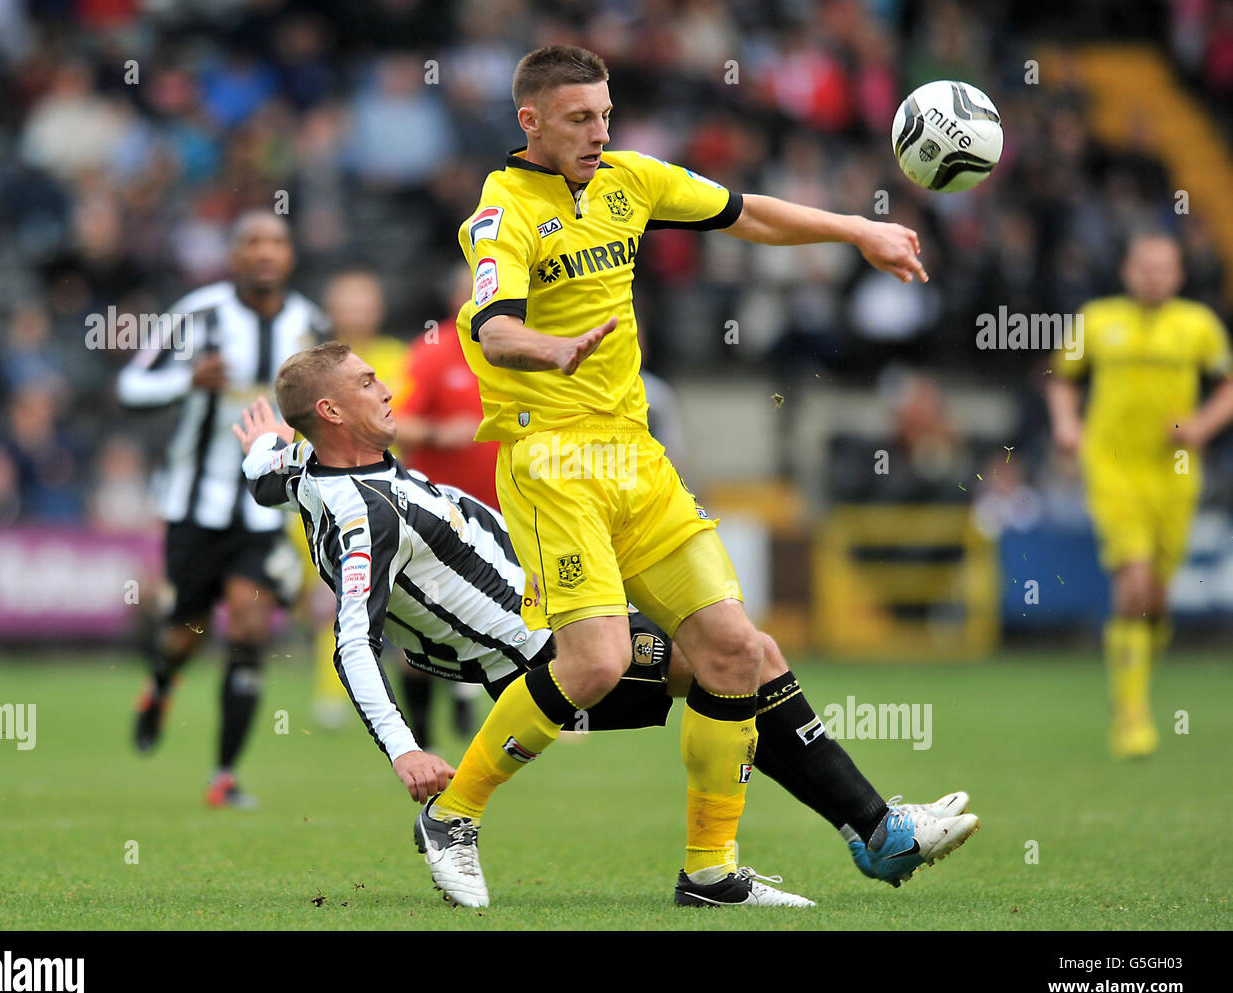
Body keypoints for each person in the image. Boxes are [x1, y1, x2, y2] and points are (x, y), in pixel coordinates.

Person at [429, 44, 959, 907]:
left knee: (735, 651)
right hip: (553, 458)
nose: (599, 131)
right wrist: (551, 348)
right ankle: (453, 812)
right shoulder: (502, 211)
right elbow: (492, 329)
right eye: (578, 118)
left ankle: (710, 870)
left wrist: (856, 228)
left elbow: (746, 214)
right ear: (529, 122)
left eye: (605, 113)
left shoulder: (632, 180)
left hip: (635, 456)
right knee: (596, 662)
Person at [234, 353, 978, 910]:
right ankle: (811, 847)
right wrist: (403, 748)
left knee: (745, 652)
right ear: (331, 412)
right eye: (368, 382)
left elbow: (274, 472)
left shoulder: (310, 467)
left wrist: (259, 449)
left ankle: (861, 831)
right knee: (740, 654)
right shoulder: (365, 513)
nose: (387, 387)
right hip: (541, 654)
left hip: (558, 609)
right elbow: (353, 641)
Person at [117, 210, 326, 807]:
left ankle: (224, 777)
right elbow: (130, 389)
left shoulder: (310, 323)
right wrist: (188, 381)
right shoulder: (198, 314)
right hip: (195, 504)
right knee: (185, 629)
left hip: (266, 508)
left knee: (250, 623)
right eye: (252, 242)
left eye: (276, 242)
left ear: (289, 255)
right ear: (233, 255)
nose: (265, 252)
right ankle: (159, 685)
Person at [1048, 231, 1233, 758]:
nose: (1153, 275)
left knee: (1156, 599)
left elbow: (1227, 386)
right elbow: (1063, 378)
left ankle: (1137, 673)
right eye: (1144, 266)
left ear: (1178, 274)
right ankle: (1131, 716)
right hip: (1112, 470)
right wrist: (1066, 423)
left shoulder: (1198, 326)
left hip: (1175, 474)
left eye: (1163, 267)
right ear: (1127, 270)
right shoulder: (1098, 319)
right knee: (1132, 585)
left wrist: (1200, 426)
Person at [390, 264, 498, 743]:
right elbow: (391, 423)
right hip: (440, 517)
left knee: (501, 616)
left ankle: (476, 708)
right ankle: (422, 735)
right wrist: (438, 433)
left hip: (504, 514)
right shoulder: (432, 353)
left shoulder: (516, 349)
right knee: (428, 622)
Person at [305, 269, 411, 730]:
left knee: (408, 604)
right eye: (346, 303)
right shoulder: (311, 368)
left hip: (397, 497)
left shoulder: (400, 357)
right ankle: (333, 695)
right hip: (334, 499)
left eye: (362, 302)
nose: (355, 312)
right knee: (332, 600)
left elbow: (409, 422)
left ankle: (440, 691)